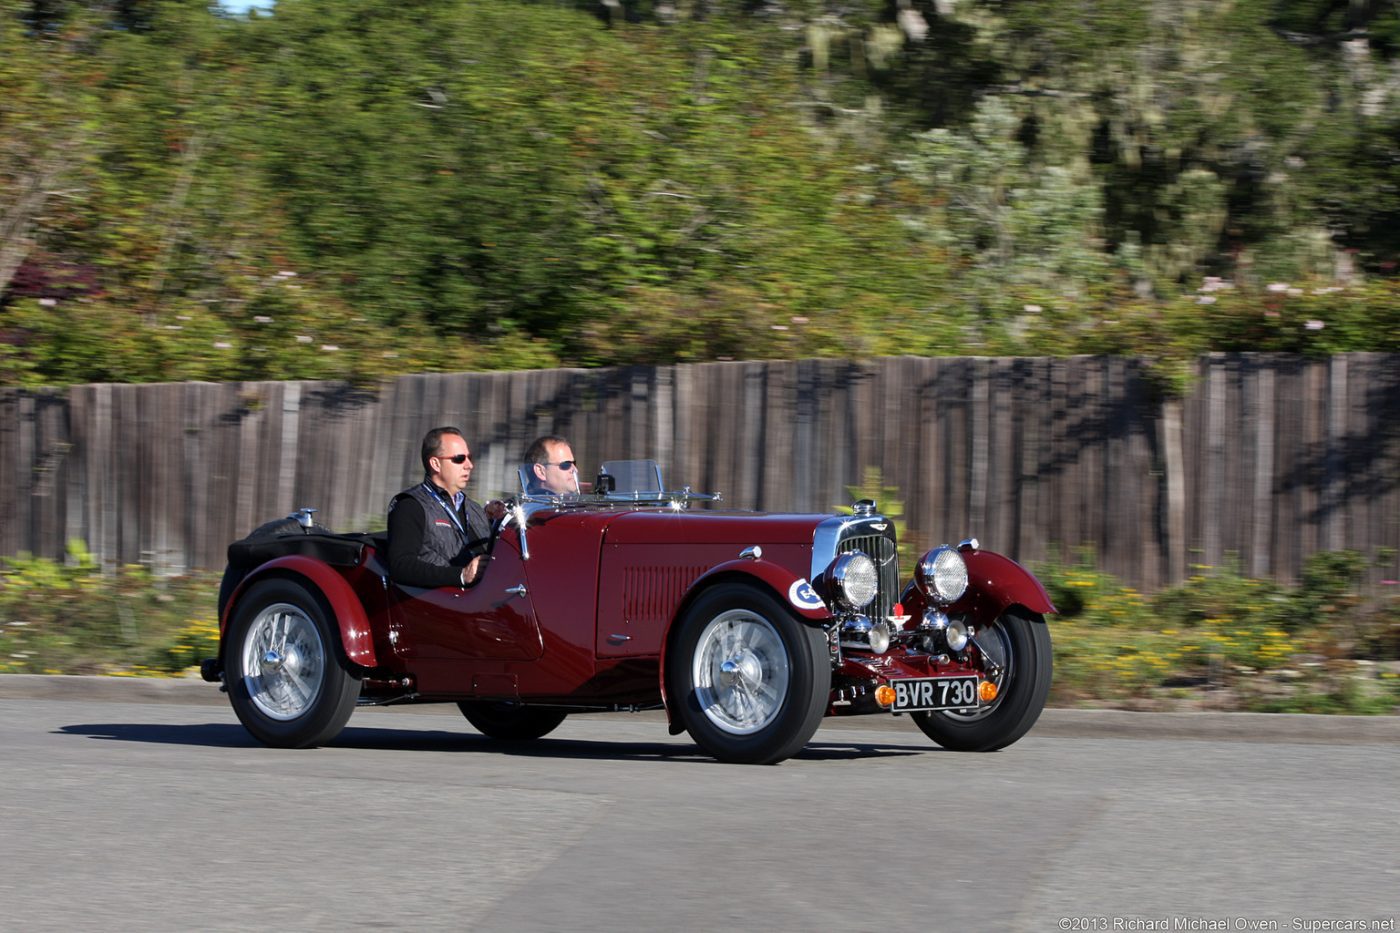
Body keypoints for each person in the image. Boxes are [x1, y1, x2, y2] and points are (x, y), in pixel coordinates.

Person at [387, 426, 493, 588]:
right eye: (459, 458)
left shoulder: (474, 509)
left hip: (479, 600)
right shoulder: (410, 505)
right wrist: (461, 575)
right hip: (436, 605)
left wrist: (497, 524)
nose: (469, 465)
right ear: (435, 463)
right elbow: (400, 566)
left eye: (469, 457)